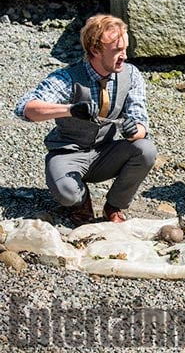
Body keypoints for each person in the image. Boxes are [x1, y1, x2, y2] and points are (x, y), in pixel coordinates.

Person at [14, 14, 157, 226]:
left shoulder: (131, 75)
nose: (124, 56)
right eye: (118, 50)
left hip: (105, 153)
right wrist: (70, 110)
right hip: (68, 154)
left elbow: (140, 120)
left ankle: (114, 206)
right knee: (67, 194)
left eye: (125, 48)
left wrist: (134, 130)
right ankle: (81, 203)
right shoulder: (67, 77)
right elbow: (24, 108)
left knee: (146, 150)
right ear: (95, 50)